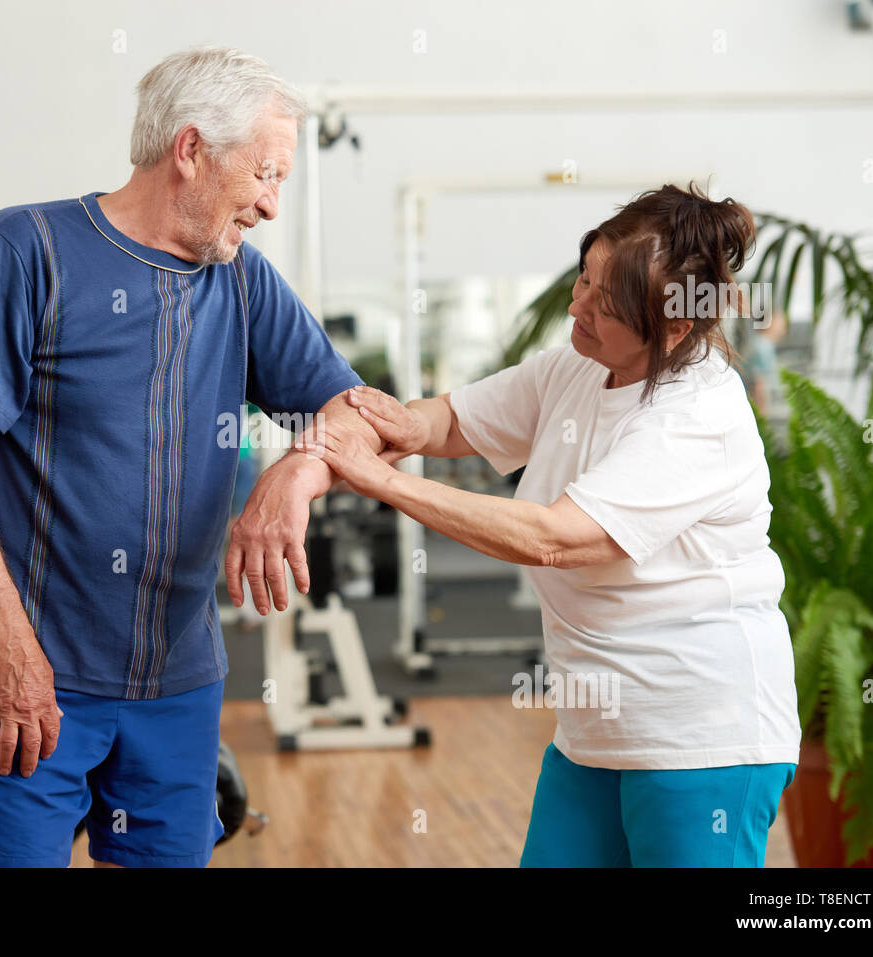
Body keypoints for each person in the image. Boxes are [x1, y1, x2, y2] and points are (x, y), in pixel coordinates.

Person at [0, 48, 379, 868]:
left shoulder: (243, 284)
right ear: (191, 150)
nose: (271, 204)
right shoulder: (26, 249)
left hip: (177, 680)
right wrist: (7, 650)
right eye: (265, 174)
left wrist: (295, 473)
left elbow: (359, 417)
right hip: (29, 675)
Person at [298, 184, 801, 867]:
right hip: (593, 733)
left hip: (702, 738)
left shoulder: (698, 416)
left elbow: (554, 537)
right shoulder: (578, 365)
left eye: (606, 303)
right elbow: (449, 419)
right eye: (584, 279)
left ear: (677, 328)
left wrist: (380, 479)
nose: (578, 306)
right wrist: (387, 424)